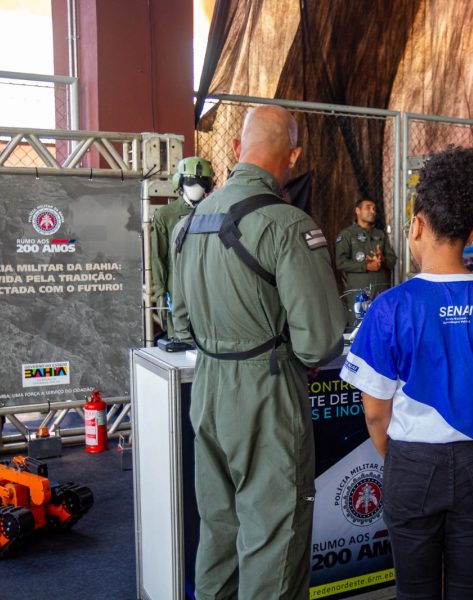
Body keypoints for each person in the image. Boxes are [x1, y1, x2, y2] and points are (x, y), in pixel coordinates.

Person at [170, 106, 346, 600]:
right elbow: (320, 341)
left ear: (234, 149)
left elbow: (179, 323)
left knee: (219, 528)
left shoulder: (190, 224)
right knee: (274, 535)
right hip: (266, 393)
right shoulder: (288, 225)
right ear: (293, 156)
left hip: (207, 390)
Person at [339, 146, 473, 599]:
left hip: (411, 464)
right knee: (471, 591)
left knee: (414, 591)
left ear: (418, 226)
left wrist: (406, 461)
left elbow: (375, 414)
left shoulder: (390, 307)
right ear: (470, 231)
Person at [151, 156, 214, 339]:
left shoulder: (214, 212)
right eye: (190, 181)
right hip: (177, 290)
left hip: (208, 287)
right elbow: (158, 258)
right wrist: (161, 292)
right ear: (179, 183)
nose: (196, 186)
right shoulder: (165, 215)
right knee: (180, 340)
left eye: (201, 182)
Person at [334, 197, 397, 314]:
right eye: (368, 208)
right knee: (358, 325)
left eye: (374, 209)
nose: (373, 211)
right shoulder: (347, 234)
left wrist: (382, 258)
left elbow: (392, 260)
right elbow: (340, 263)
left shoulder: (380, 234)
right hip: (359, 291)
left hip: (380, 290)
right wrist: (366, 266)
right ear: (357, 211)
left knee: (381, 322)